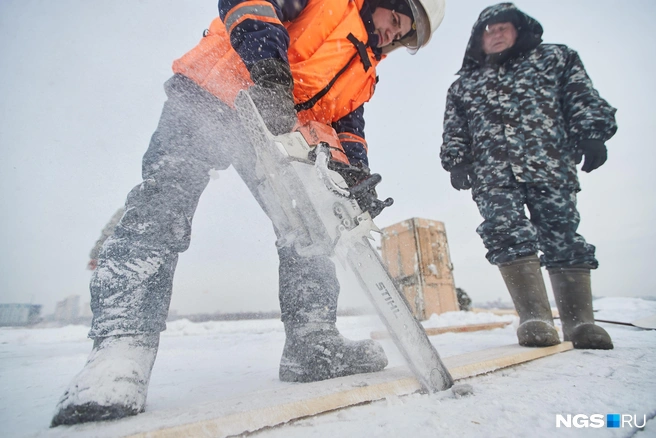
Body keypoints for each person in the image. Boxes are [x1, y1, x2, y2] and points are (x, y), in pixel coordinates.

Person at [51, 0, 446, 426]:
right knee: (163, 203)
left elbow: (347, 129)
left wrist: (354, 177)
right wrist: (271, 72)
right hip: (214, 91)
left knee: (310, 228)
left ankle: (312, 343)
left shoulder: (364, 76)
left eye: (402, 33)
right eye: (395, 21)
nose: (392, 34)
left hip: (276, 130)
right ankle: (120, 354)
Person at [440, 3, 616, 351]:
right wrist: (457, 161)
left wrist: (591, 133)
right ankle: (535, 318)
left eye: (504, 27)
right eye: (489, 30)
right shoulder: (464, 85)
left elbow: (580, 96)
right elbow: (455, 128)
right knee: (505, 233)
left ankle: (580, 323)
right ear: (479, 40)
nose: (497, 34)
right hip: (493, 174)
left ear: (521, 31)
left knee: (561, 233)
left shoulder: (555, 59)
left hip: (548, 164)